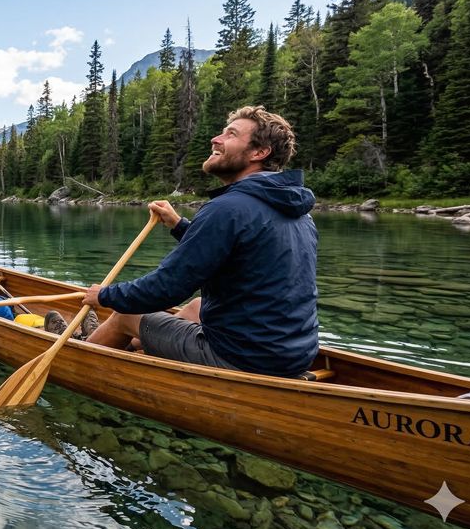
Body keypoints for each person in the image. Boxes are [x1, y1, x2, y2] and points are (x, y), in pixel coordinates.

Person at [78, 105, 319, 378]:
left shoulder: (228, 208)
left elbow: (166, 288)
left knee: (124, 315)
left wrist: (105, 296)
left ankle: (77, 358)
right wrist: (180, 225)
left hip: (241, 358)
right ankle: (134, 345)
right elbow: (235, 252)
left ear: (259, 152)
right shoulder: (297, 212)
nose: (215, 139)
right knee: (197, 307)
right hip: (292, 355)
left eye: (230, 134)